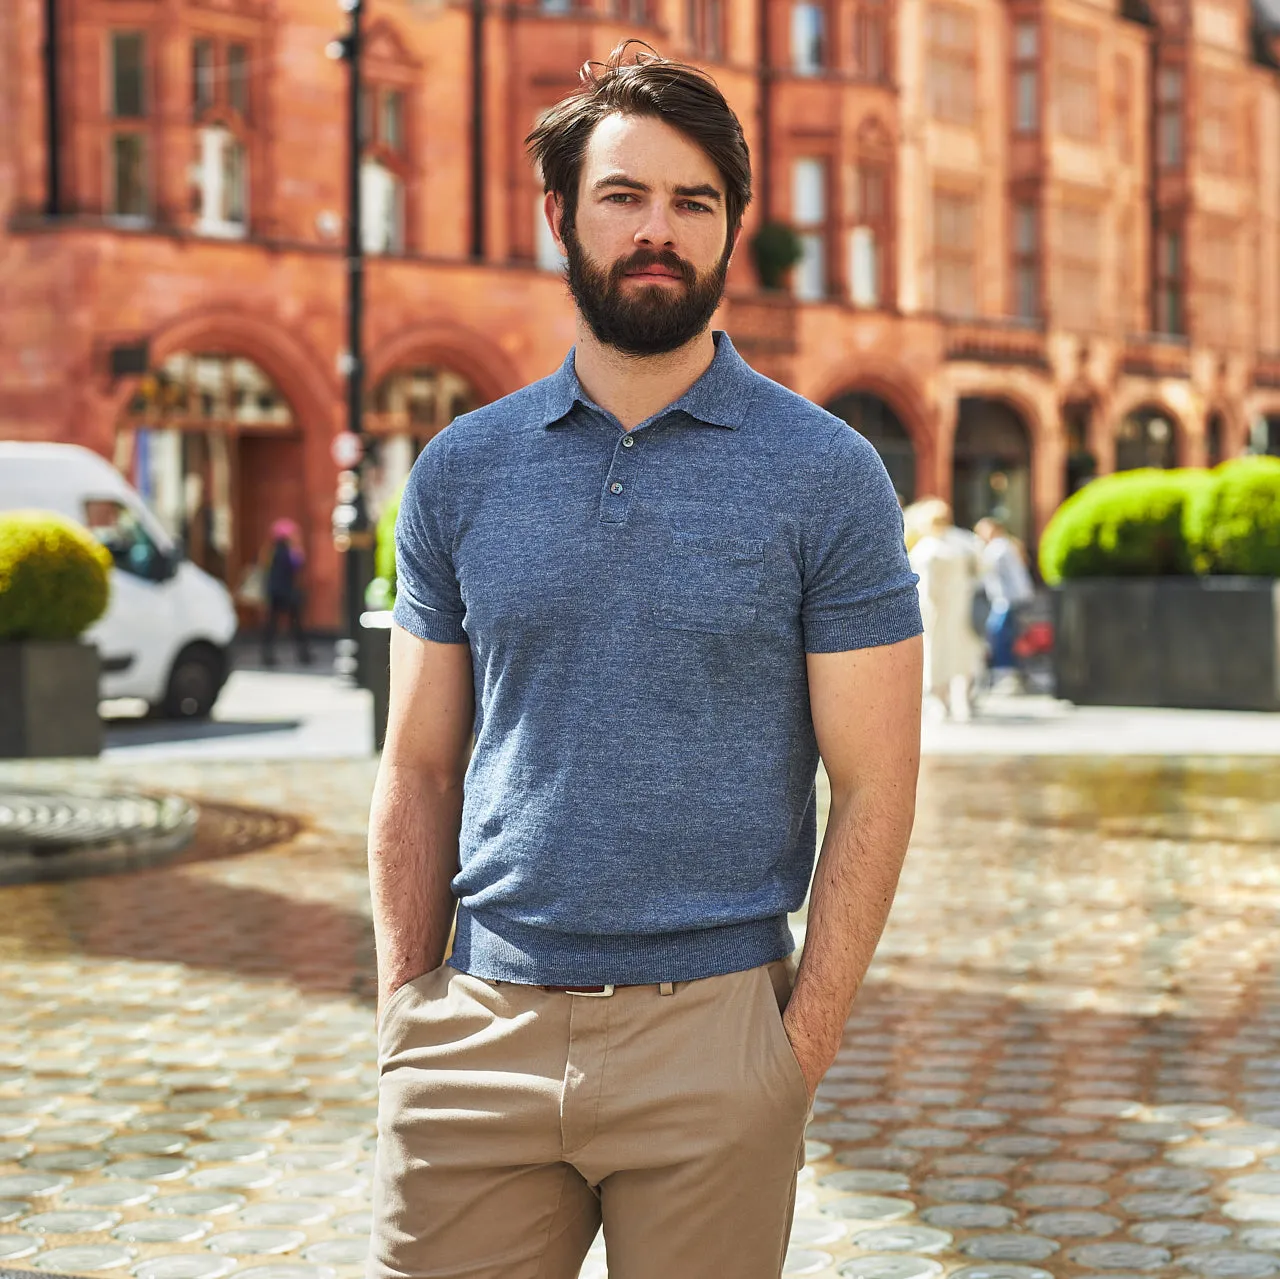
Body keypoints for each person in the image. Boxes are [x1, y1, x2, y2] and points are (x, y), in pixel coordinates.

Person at [366, 43, 923, 1279]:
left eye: (692, 202)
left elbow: (876, 784)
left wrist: (795, 1050)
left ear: (730, 229)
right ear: (560, 215)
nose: (657, 231)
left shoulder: (825, 473)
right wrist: (407, 1011)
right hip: (477, 1030)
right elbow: (415, 765)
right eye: (623, 197)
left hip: (716, 1036)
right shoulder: (462, 468)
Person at [906, 499, 985, 719]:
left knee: (937, 655)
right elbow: (982, 568)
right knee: (964, 654)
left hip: (936, 612)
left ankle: (942, 702)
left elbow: (925, 586)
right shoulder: (964, 541)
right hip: (962, 608)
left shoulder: (926, 548)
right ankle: (964, 701)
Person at [975, 516, 1035, 688]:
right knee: (1010, 635)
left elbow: (983, 571)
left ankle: (1006, 674)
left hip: (1006, 600)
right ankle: (1014, 674)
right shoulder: (1006, 545)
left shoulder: (997, 548)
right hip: (1011, 599)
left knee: (1000, 635)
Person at [261, 518, 311, 667]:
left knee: (272, 625)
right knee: (296, 625)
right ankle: (303, 655)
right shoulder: (290, 552)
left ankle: (267, 655)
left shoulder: (270, 551)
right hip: (287, 593)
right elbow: (298, 565)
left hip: (273, 592)